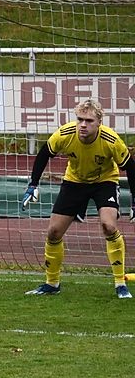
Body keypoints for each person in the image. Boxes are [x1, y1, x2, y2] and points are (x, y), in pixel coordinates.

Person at [21, 99, 135, 299]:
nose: (83, 125)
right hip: (74, 181)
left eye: (89, 121)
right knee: (53, 232)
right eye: (80, 119)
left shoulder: (111, 140)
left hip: (105, 181)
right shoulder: (65, 134)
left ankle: (120, 284)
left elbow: (130, 167)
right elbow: (44, 153)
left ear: (99, 122)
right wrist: (33, 184)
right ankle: (52, 283)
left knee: (109, 226)